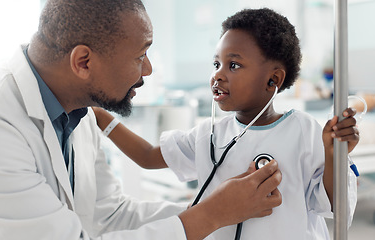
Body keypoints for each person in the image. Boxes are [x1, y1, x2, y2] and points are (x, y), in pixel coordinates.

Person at [0, 1, 283, 240]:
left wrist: (220, 208)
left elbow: (110, 215)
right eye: (140, 56)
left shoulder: (77, 109)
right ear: (83, 62)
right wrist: (211, 215)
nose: (148, 70)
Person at [92, 8, 359, 240]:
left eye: (233, 65)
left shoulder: (303, 130)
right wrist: (102, 118)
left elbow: (335, 207)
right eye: (216, 63)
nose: (218, 75)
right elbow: (148, 156)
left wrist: (334, 154)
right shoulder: (210, 135)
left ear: (273, 80)